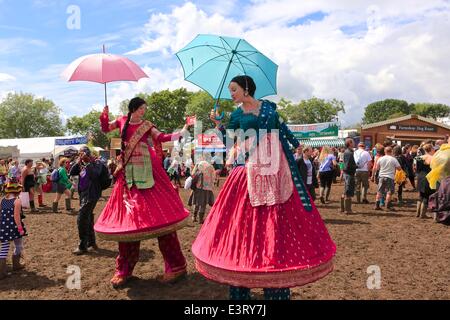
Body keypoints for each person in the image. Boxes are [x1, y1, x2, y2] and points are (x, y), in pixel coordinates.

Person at [192, 75, 336, 300]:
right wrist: (219, 124)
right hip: (249, 170)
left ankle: (276, 273)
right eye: (230, 90)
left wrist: (297, 145)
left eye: (234, 89)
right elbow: (230, 140)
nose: (231, 93)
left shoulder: (269, 108)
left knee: (278, 221)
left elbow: (282, 128)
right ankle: (241, 278)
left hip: (278, 171)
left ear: (246, 88)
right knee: (242, 222)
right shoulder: (237, 115)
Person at [96, 97, 191, 288]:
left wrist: (181, 132)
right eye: (141, 109)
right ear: (133, 109)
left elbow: (161, 137)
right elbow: (106, 129)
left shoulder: (147, 125)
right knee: (127, 225)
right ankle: (124, 270)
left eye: (144, 109)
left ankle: (177, 266)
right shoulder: (122, 120)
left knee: (162, 220)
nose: (143, 112)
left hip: (151, 175)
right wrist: (104, 116)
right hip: (128, 178)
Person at [69, 147, 103, 255]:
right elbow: (72, 172)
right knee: (88, 217)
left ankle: (82, 246)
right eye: (80, 153)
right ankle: (91, 243)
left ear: (88, 153)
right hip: (83, 194)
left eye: (83, 153)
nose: (81, 155)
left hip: (92, 194)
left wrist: (88, 162)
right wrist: (78, 162)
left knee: (81, 218)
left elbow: (95, 175)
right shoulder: (81, 164)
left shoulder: (96, 162)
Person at [0, 181, 26, 280]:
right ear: (17, 191)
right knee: (18, 244)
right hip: (14, 227)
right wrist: (20, 228)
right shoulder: (17, 201)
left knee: (4, 248)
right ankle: (16, 265)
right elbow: (16, 217)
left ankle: (1, 272)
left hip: (3, 226)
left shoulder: (2, 200)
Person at [189, 156, 215, 224]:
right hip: (207, 188)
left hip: (198, 187)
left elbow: (193, 174)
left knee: (197, 202)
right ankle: (201, 219)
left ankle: (194, 217)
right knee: (203, 204)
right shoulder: (211, 166)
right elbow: (213, 177)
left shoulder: (198, 164)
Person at [374, 146, 401, 211]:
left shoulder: (380, 159)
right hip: (390, 177)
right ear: (391, 151)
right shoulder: (393, 159)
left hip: (381, 176)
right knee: (389, 192)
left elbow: (377, 168)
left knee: (379, 191)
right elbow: (399, 168)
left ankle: (377, 205)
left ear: (384, 151)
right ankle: (387, 206)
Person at [414, 144, 435, 218]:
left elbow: (416, 168)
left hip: (420, 177)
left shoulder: (418, 158)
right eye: (433, 148)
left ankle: (418, 213)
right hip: (429, 177)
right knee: (426, 196)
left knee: (421, 195)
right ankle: (422, 214)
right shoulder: (433, 158)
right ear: (431, 149)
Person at [341, 138, 357, 214]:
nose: (354, 143)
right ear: (350, 143)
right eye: (352, 142)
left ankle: (343, 208)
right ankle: (347, 210)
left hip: (347, 174)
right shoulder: (349, 153)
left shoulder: (348, 152)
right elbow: (347, 165)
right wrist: (356, 166)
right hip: (349, 174)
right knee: (348, 191)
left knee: (346, 190)